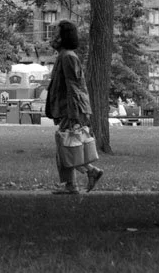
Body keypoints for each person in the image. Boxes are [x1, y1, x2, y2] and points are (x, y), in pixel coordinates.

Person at [44, 21, 104, 194]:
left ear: (64, 37)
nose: (53, 37)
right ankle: (81, 178)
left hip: (70, 110)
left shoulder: (68, 57)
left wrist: (74, 113)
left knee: (66, 147)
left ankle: (77, 181)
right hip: (66, 109)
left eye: (56, 34)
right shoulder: (63, 56)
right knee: (66, 147)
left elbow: (75, 87)